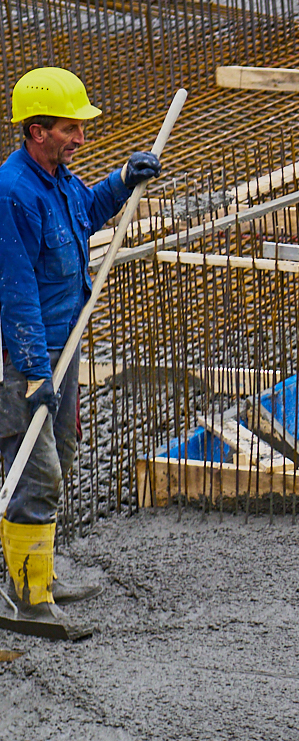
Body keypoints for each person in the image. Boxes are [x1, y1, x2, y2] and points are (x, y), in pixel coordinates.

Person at [0, 67, 160, 638]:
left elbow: (84, 213)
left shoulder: (57, 178)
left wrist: (121, 182)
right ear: (37, 131)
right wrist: (33, 372)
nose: (81, 138)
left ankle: (35, 574)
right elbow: (15, 290)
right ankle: (25, 599)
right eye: (71, 129)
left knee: (61, 453)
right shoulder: (12, 192)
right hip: (25, 354)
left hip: (63, 342)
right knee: (34, 470)